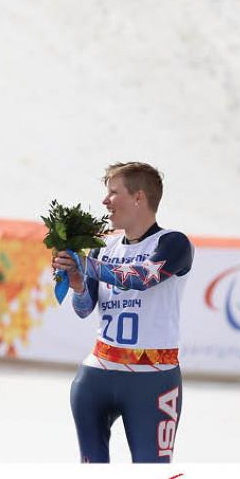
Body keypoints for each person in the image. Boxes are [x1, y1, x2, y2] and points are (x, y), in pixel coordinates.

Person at [52, 162, 193, 463]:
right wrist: (77, 282)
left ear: (139, 197)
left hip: (152, 381)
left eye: (113, 193)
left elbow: (143, 278)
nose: (105, 201)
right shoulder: (104, 247)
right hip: (97, 375)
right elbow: (84, 308)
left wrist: (85, 264)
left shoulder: (173, 242)